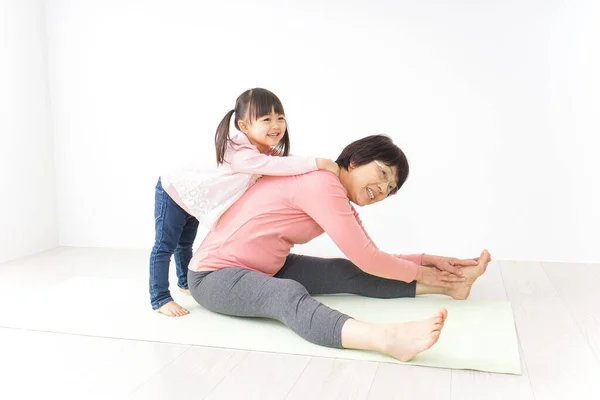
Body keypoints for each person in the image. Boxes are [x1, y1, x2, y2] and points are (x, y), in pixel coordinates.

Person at [187, 134, 492, 361]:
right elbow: (369, 258)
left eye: (389, 190)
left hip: (268, 265)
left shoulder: (333, 191)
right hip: (214, 276)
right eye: (382, 174)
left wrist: (432, 264)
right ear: (356, 159)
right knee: (286, 294)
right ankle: (385, 338)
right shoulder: (322, 184)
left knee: (344, 271)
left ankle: (451, 288)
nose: (382, 190)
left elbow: (370, 256)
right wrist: (424, 268)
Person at [149, 88, 339, 317]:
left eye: (280, 118)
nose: (276, 125)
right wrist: (318, 162)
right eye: (266, 119)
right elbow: (277, 167)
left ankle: (184, 283)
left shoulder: (260, 152)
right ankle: (159, 297)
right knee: (165, 245)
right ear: (244, 126)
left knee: (184, 243)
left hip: (191, 197)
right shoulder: (241, 153)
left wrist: (317, 166)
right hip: (173, 190)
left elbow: (284, 162)